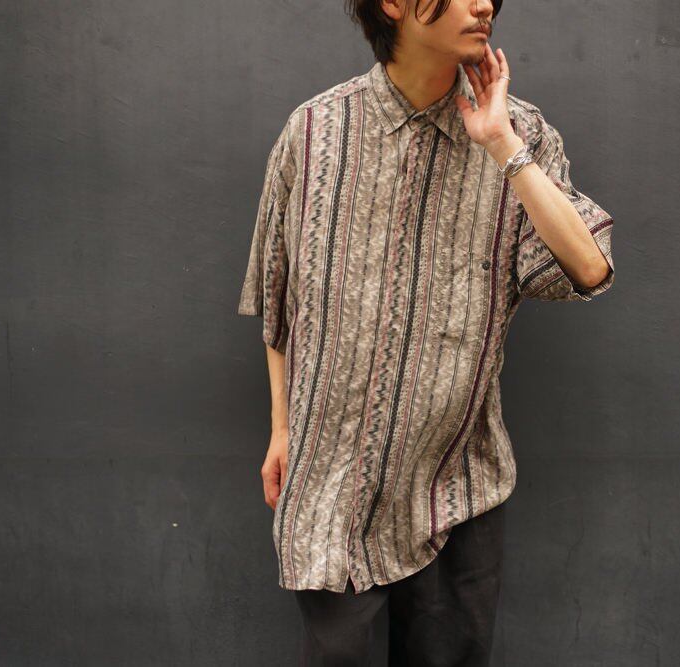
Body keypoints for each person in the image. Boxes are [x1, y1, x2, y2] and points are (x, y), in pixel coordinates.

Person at [237, 0, 616, 663]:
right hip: (329, 486)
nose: (484, 4)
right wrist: (281, 427)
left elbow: (589, 268)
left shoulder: (521, 133)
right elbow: (278, 294)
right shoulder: (314, 131)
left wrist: (502, 146)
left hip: (455, 486)